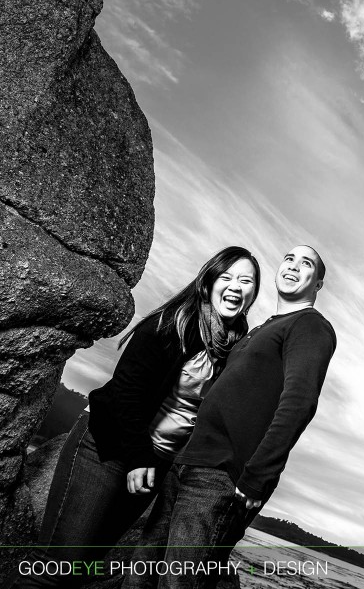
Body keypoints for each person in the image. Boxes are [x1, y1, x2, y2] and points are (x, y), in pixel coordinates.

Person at [17, 246, 261, 589]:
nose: (236, 285)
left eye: (246, 280)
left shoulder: (234, 350)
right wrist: (139, 457)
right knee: (59, 569)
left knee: (84, 571)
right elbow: (126, 394)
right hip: (109, 447)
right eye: (227, 276)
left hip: (153, 465)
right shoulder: (171, 324)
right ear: (208, 283)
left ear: (252, 293)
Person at [125, 245, 336, 589]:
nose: (294, 266)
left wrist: (257, 476)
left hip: (221, 476)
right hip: (186, 463)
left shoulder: (310, 326)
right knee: (140, 575)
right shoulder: (260, 329)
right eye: (289, 258)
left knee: (178, 584)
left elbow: (299, 402)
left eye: (307, 263)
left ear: (319, 283)